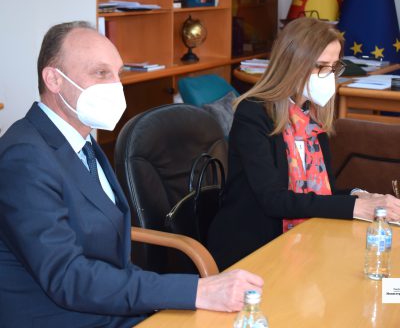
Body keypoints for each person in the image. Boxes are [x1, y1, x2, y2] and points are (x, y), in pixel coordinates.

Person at [0, 21, 263, 328]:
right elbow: (68, 277)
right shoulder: (24, 158)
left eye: (118, 73)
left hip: (108, 303)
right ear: (54, 79)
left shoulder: (81, 141)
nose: (116, 86)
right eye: (101, 73)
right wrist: (195, 291)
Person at [207, 17, 400, 270]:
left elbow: (319, 196)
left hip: (303, 240)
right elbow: (274, 200)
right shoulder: (253, 113)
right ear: (293, 64)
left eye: (333, 67)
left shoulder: (311, 117)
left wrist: (360, 195)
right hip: (251, 248)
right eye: (320, 66)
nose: (328, 76)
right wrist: (357, 207)